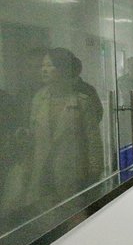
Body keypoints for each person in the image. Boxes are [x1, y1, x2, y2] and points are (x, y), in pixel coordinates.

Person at [25, 48, 104, 207]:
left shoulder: (82, 102)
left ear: (62, 68)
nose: (44, 70)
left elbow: (94, 145)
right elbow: (34, 139)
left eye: (50, 65)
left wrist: (93, 181)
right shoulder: (38, 99)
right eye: (43, 65)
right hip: (42, 180)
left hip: (72, 179)